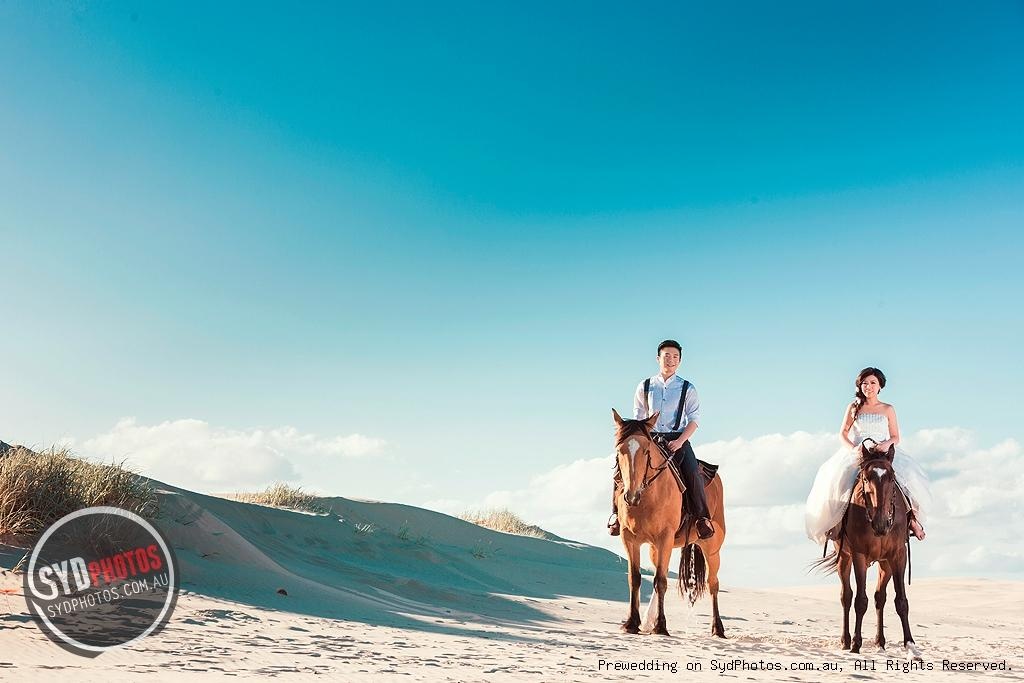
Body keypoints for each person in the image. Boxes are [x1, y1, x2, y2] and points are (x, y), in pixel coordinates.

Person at [805, 367, 932, 545]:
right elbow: (842, 433)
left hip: (882, 453)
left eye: (873, 383)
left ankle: (912, 520)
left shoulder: (888, 409)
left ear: (880, 386)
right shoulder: (853, 407)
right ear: (860, 386)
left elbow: (896, 436)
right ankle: (835, 524)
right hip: (859, 452)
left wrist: (887, 444)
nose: (868, 386)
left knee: (907, 479)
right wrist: (853, 448)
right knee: (839, 479)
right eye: (864, 383)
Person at [608, 339, 715, 540]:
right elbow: (639, 417)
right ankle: (615, 515)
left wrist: (680, 441)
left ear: (680, 361)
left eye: (675, 357)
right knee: (619, 468)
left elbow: (694, 420)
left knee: (692, 471)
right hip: (649, 439)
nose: (671, 360)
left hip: (678, 439)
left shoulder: (687, 388)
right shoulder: (645, 386)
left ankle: (702, 519)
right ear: (658, 359)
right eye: (667, 356)